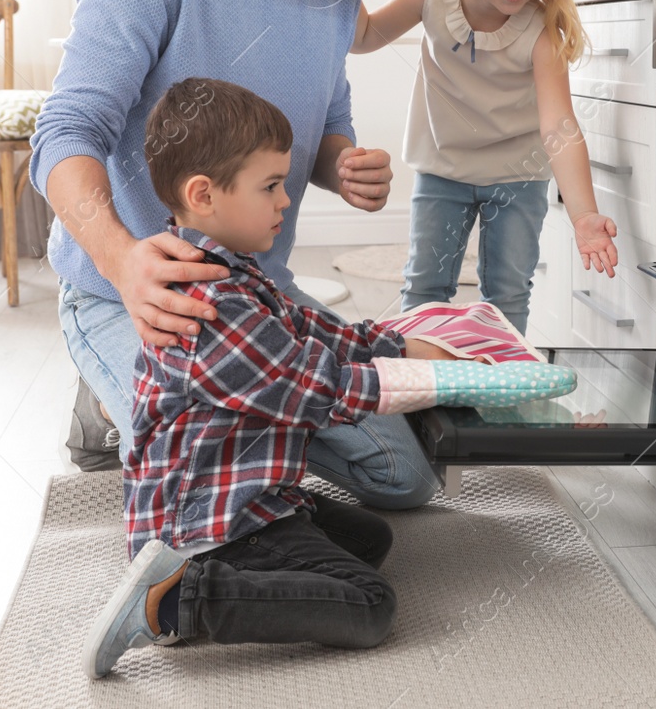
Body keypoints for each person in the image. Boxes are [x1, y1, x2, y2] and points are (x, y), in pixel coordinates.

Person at [28, 0, 436, 507]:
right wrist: (122, 262)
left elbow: (328, 119)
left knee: (402, 479)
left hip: (256, 296)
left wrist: (341, 163)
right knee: (214, 478)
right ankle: (103, 387)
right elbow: (65, 131)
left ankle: (167, 406)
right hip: (134, 293)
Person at [85, 80, 576, 677]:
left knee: (370, 540)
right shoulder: (209, 306)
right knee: (370, 606)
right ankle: (177, 602)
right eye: (270, 187)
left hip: (249, 498)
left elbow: (322, 335)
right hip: (202, 527)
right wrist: (440, 380)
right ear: (204, 195)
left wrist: (404, 341)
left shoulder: (240, 276)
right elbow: (319, 387)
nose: (285, 200)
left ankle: (227, 567)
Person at [349, 0, 618, 334]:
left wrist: (584, 215)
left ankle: (500, 390)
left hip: (517, 179)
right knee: (425, 289)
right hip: (444, 170)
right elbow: (365, 36)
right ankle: (420, 387)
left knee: (507, 295)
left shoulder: (539, 29)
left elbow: (559, 127)